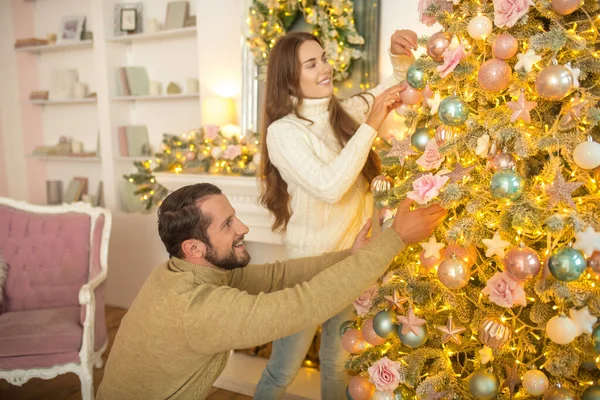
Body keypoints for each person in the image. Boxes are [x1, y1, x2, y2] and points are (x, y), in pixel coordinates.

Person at [96, 183, 445, 400]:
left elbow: (279, 276)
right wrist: (395, 239)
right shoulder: (198, 308)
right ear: (194, 248)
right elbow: (304, 304)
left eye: (235, 216)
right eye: (228, 224)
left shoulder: (179, 273)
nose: (243, 227)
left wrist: (349, 256)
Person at [256, 29, 418, 398]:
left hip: (351, 264)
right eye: (311, 64)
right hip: (309, 271)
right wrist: (371, 124)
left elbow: (393, 85)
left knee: (338, 366)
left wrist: (398, 54)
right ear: (289, 79)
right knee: (283, 369)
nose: (326, 68)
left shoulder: (342, 112)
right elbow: (330, 187)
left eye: (324, 58)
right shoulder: (284, 133)